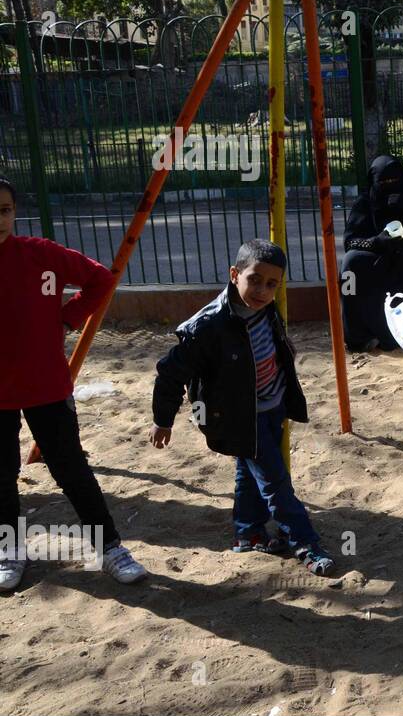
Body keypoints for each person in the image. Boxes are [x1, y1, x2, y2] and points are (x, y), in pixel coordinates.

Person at [150, 239, 336, 576]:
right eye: (254, 279)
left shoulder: (267, 307)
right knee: (276, 482)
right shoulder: (208, 327)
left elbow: (271, 343)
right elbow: (170, 371)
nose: (263, 291)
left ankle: (248, 532)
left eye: (272, 284)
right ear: (234, 274)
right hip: (239, 417)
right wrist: (163, 420)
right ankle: (306, 543)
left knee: (249, 473)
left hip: (273, 404)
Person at [0, 177, 148, 591]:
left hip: (46, 385)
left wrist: (66, 317)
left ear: (15, 212)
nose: (0, 219)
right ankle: (10, 549)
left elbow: (100, 279)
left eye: (5, 210)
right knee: (1, 474)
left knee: (71, 470)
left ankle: (111, 548)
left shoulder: (39, 254)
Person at [341, 155, 403, 352]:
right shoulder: (365, 204)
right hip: (377, 255)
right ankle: (357, 336)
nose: (389, 185)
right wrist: (376, 242)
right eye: (383, 182)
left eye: (394, 181)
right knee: (350, 264)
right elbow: (350, 242)